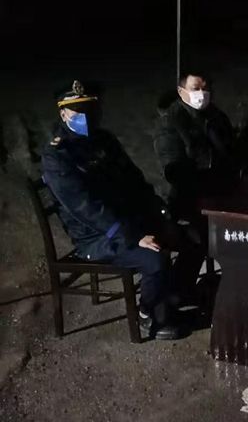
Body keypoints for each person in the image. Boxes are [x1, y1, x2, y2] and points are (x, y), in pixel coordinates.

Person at [42, 80, 182, 340]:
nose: (86, 117)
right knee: (155, 258)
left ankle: (172, 295)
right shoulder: (58, 156)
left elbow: (134, 180)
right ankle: (148, 314)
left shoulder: (104, 140)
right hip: (97, 235)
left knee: (186, 235)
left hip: (127, 220)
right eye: (78, 112)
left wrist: (158, 210)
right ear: (63, 114)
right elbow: (85, 208)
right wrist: (132, 235)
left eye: (90, 110)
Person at [154, 72, 236, 221]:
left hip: (224, 194)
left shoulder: (216, 116)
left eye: (205, 88)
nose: (202, 94)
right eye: (195, 88)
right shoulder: (171, 121)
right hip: (191, 202)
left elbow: (231, 149)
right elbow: (173, 169)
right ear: (181, 91)